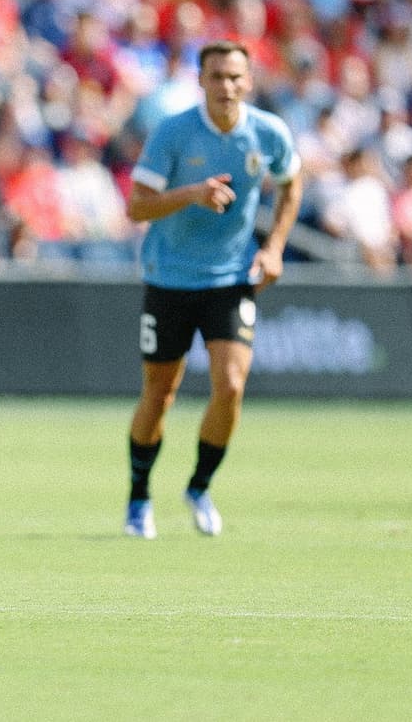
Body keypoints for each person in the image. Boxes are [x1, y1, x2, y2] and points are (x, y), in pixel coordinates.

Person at [122, 39, 302, 539]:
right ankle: (139, 496)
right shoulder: (173, 133)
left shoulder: (268, 133)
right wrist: (192, 195)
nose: (227, 86)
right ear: (200, 81)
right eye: (217, 76)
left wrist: (274, 248)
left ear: (249, 81)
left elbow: (293, 183)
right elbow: (137, 207)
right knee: (160, 395)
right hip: (169, 276)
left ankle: (199, 486)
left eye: (235, 77)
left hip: (230, 278)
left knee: (232, 386)